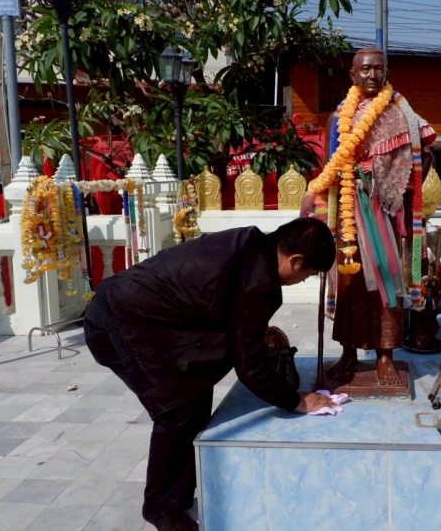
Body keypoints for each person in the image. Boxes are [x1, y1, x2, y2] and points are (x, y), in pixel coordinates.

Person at [83, 218, 337, 531]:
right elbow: (250, 367)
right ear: (295, 261)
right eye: (307, 275)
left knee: (196, 392)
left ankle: (179, 495)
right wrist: (295, 401)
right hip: (118, 324)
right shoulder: (259, 281)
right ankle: (161, 507)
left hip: (145, 318)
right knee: (177, 409)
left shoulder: (250, 245)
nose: (301, 281)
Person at [301, 47, 436, 386]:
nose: (373, 75)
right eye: (365, 69)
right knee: (350, 282)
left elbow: (423, 155)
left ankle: (386, 356)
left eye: (379, 68)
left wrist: (392, 182)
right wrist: (316, 199)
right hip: (348, 210)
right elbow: (328, 166)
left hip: (384, 210)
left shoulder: (402, 113)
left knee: (387, 280)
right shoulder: (339, 116)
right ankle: (348, 353)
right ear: (353, 75)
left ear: (386, 72)